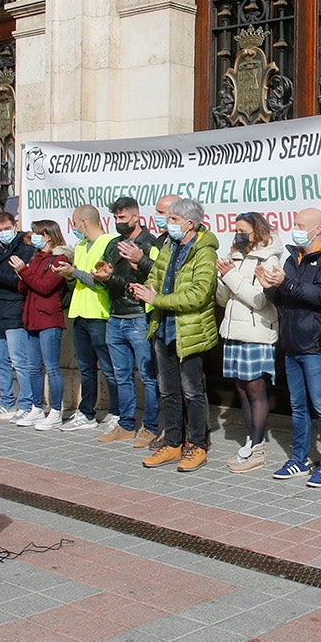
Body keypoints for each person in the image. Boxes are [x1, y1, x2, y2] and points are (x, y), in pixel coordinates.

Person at [261, 207, 321, 488]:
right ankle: (299, 458)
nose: (294, 228)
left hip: (317, 345)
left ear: (318, 229)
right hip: (292, 342)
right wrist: (269, 287)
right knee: (297, 406)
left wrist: (286, 282)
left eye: (299, 224)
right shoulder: (293, 257)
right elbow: (282, 297)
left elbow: (320, 297)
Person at [135, 197, 220, 471]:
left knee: (193, 391)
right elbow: (156, 277)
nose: (168, 224)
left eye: (173, 219)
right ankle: (173, 443)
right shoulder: (169, 245)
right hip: (163, 328)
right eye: (168, 218)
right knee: (168, 390)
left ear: (190, 224)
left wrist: (156, 299)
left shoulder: (205, 251)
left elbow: (198, 294)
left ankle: (197, 444)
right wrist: (144, 290)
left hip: (190, 331)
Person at [216, 211, 282, 472]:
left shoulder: (269, 258)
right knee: (241, 389)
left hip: (256, 334)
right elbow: (223, 299)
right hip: (233, 331)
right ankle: (249, 439)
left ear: (258, 231)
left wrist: (231, 275)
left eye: (244, 230)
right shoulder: (236, 255)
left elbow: (259, 299)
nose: (238, 234)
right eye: (236, 229)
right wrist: (222, 276)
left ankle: (258, 445)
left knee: (255, 389)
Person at [99, 195, 162, 445]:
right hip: (115, 317)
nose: (118, 222)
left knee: (147, 377)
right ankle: (125, 424)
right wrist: (102, 276)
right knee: (121, 375)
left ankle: (150, 426)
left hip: (138, 317)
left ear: (136, 217)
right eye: (115, 217)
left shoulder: (150, 244)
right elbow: (105, 275)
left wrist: (134, 264)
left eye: (122, 217)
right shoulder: (114, 244)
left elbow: (155, 277)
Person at [56, 204, 119, 432]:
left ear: (84, 222)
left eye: (74, 223)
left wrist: (75, 274)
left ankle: (116, 412)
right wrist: (69, 275)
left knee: (109, 368)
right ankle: (87, 413)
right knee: (86, 368)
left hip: (99, 314)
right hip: (80, 313)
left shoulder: (108, 243)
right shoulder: (80, 246)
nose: (74, 228)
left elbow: (102, 281)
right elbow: (79, 280)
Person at [0, 211, 39, 420]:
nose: (3, 233)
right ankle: (6, 401)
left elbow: (17, 281)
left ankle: (26, 402)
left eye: (6, 229)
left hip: (15, 307)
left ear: (15, 226)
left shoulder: (25, 247)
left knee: (19, 360)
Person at [14, 220, 71, 429]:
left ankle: (56, 410)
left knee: (52, 368)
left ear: (48, 235)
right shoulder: (35, 257)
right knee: (33, 367)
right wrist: (21, 272)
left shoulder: (59, 259)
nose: (33, 237)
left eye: (37, 233)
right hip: (31, 319)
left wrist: (25, 272)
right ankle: (37, 408)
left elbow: (45, 287)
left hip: (49, 319)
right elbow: (24, 287)